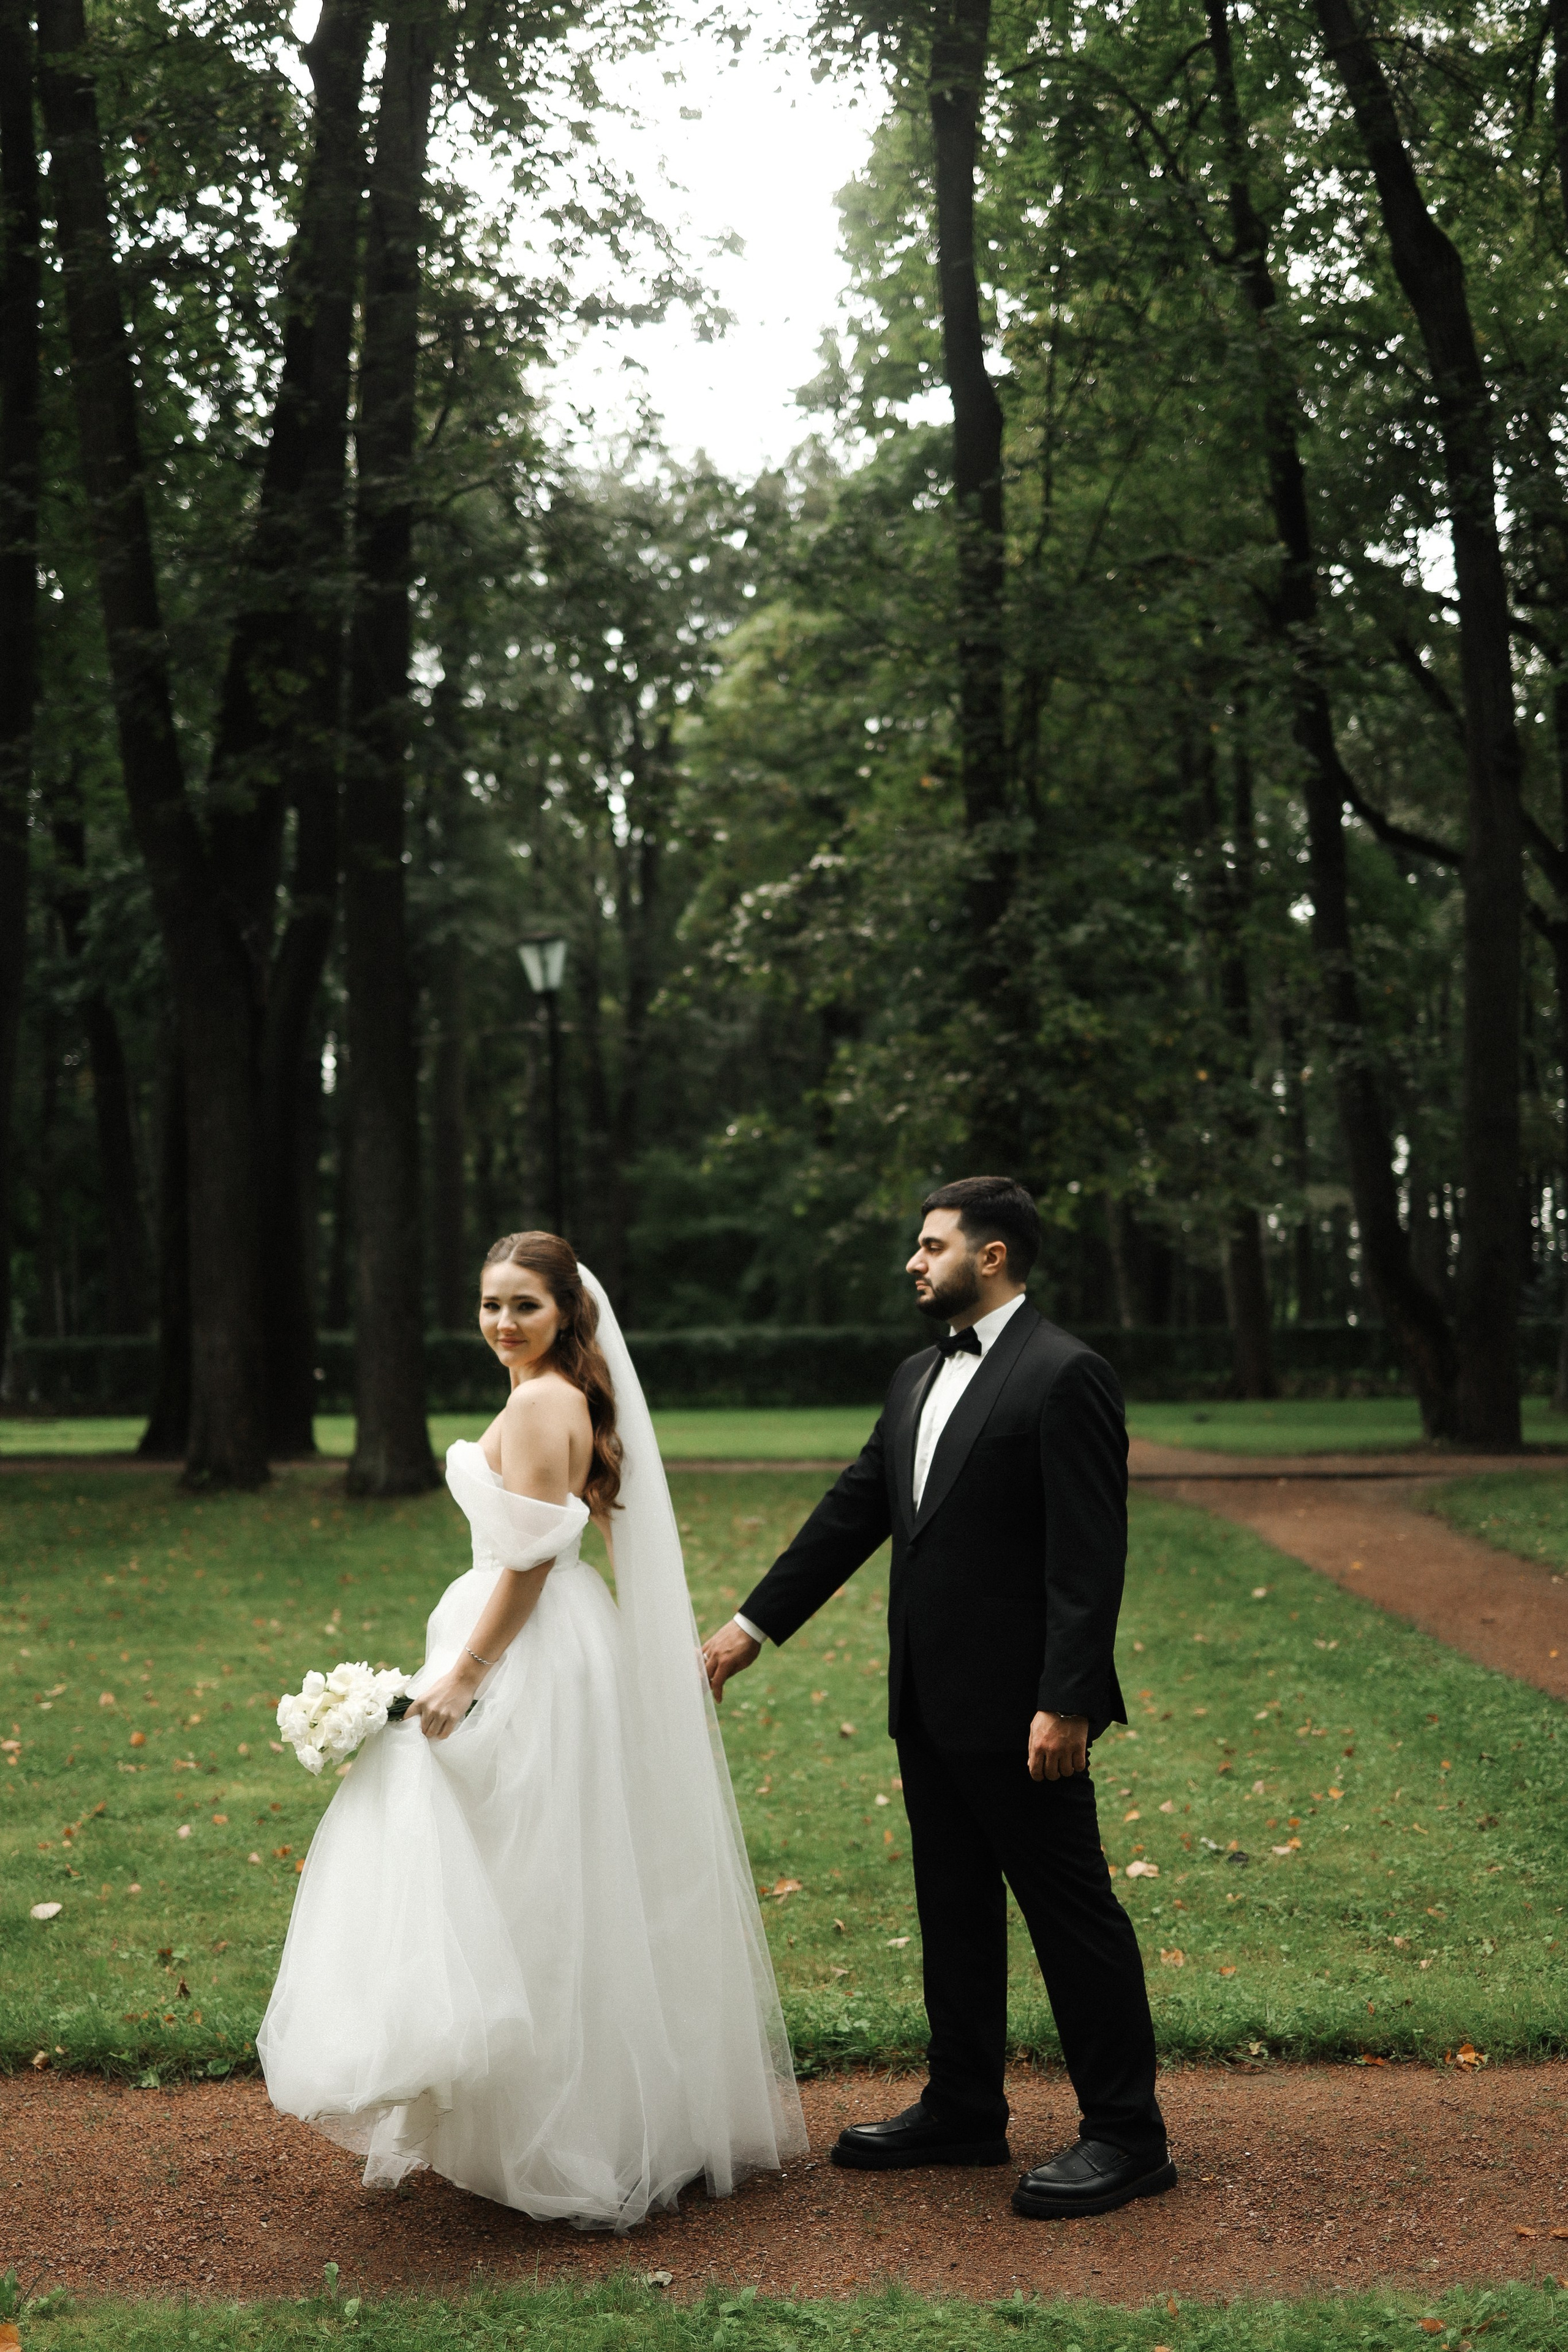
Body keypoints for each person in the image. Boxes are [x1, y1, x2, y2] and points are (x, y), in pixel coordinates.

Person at [260, 1232, 805, 2231]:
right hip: (545, 1639)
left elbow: (530, 1562)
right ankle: (539, 2117)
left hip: (524, 1649)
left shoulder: (543, 1400)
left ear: (566, 1313)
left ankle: (564, 2133)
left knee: (532, 1870)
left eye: (524, 1306)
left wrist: (466, 1673)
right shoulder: (565, 1394)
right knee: (538, 1870)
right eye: (489, 1305)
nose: (502, 1323)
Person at [701, 1177, 1174, 2221]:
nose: (914, 1262)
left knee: (1072, 1916)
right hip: (925, 1698)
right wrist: (748, 1630)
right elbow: (853, 1512)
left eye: (931, 1245)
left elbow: (1089, 1560)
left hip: (1025, 1717)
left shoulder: (1067, 1375)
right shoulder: (917, 1373)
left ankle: (1130, 2137)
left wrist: (1069, 1700)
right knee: (953, 1909)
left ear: (992, 1256)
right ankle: (964, 2108)